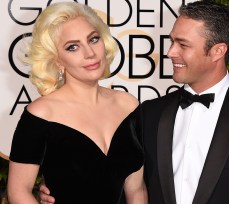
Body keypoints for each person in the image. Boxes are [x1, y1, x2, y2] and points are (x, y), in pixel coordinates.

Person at [39, 1, 229, 204]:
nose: (170, 52)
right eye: (171, 41)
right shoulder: (149, 114)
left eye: (182, 45)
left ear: (217, 51)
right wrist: (64, 189)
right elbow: (122, 181)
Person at [7, 2, 147, 204]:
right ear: (57, 60)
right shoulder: (41, 114)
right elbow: (18, 193)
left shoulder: (128, 105)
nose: (90, 53)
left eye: (93, 39)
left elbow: (136, 189)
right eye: (72, 47)